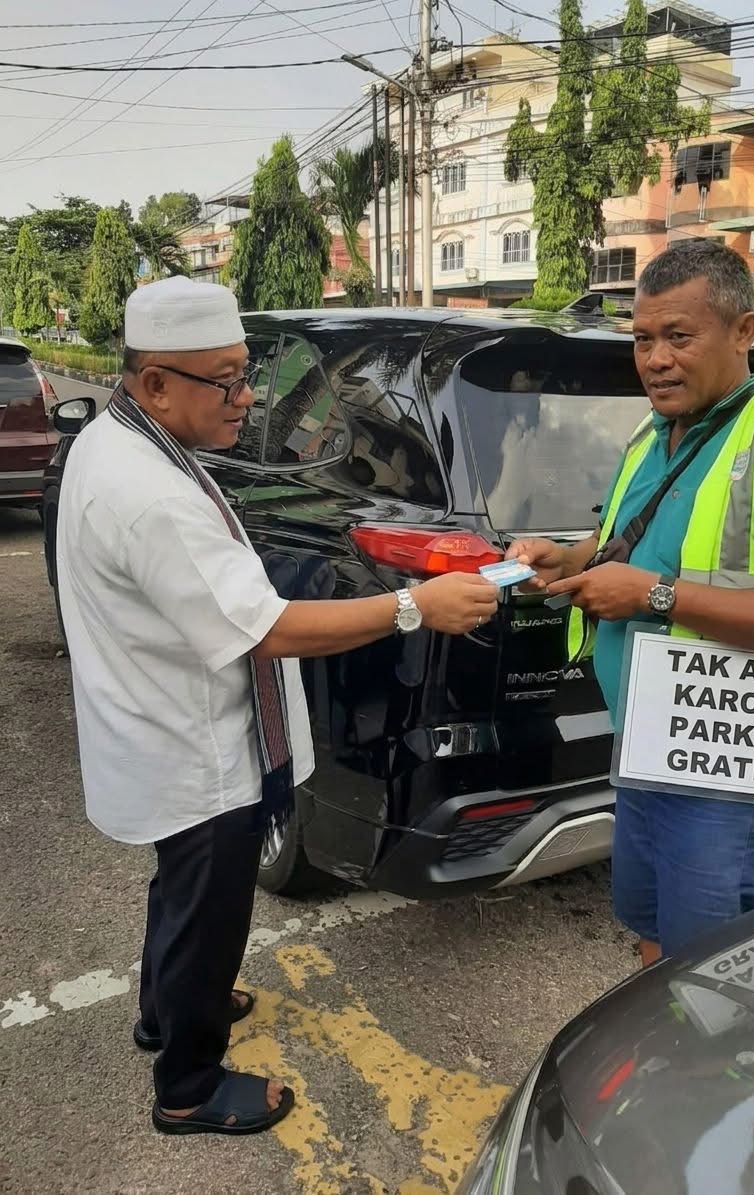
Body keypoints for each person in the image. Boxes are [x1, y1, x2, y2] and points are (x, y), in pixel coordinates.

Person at [56, 275, 498, 1137]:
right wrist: (415, 605)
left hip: (164, 718)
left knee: (181, 893)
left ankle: (165, 1008)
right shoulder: (146, 494)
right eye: (225, 380)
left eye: (244, 372)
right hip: (192, 745)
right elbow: (267, 630)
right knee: (210, 904)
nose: (248, 394)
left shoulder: (121, 442)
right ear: (154, 383)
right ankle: (187, 1084)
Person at [506, 240, 754, 968]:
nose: (655, 359)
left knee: (709, 962)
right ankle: (661, 1063)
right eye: (643, 339)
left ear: (744, 333)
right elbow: (622, 553)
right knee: (652, 929)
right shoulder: (653, 433)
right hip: (649, 741)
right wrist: (563, 558)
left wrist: (653, 597)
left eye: (678, 336)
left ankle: (705, 1077)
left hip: (721, 766)